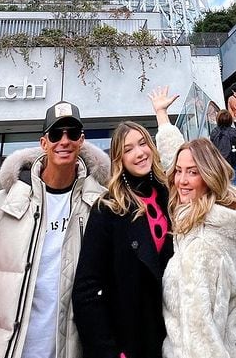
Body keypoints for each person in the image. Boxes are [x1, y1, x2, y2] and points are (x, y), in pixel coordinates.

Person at [0, 101, 110, 358]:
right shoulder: (3, 204)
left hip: (73, 348)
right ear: (44, 143)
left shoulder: (102, 205)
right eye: (56, 134)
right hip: (11, 348)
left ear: (81, 141)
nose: (64, 141)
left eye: (72, 133)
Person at [72, 86, 183, 358]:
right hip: (130, 340)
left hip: (173, 335)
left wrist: (161, 115)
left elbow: (183, 158)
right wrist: (108, 351)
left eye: (143, 143)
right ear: (119, 160)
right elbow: (86, 289)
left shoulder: (169, 193)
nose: (140, 153)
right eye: (129, 149)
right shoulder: (108, 208)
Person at [162, 139, 236, 358]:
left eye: (193, 173)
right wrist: (162, 118)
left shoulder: (200, 245)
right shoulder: (219, 217)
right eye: (178, 171)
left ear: (208, 176)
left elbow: (201, 338)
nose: (181, 181)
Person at [210, 109, 236, 192]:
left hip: (220, 166)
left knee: (224, 191)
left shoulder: (214, 133)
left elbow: (211, 150)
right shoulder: (234, 132)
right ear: (230, 120)